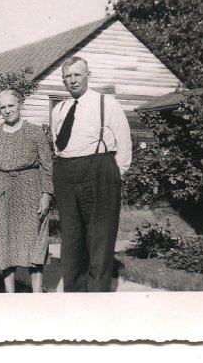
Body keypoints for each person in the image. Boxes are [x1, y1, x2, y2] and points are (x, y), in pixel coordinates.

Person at [51, 56, 132, 292]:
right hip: (66, 172)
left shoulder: (107, 104)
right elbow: (58, 145)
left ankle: (97, 300)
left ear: (88, 75)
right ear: (63, 80)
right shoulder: (59, 109)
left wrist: (115, 175)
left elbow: (124, 143)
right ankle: (75, 297)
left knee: (99, 238)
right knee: (72, 240)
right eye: (68, 76)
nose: (73, 80)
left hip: (99, 170)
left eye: (78, 74)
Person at [0, 90, 53, 293]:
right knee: (4, 239)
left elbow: (47, 165)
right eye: (3, 107)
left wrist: (46, 194)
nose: (7, 111)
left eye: (11, 106)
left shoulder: (35, 132)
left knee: (33, 239)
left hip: (30, 188)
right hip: (0, 191)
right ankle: (10, 292)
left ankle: (37, 291)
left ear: (19, 105)